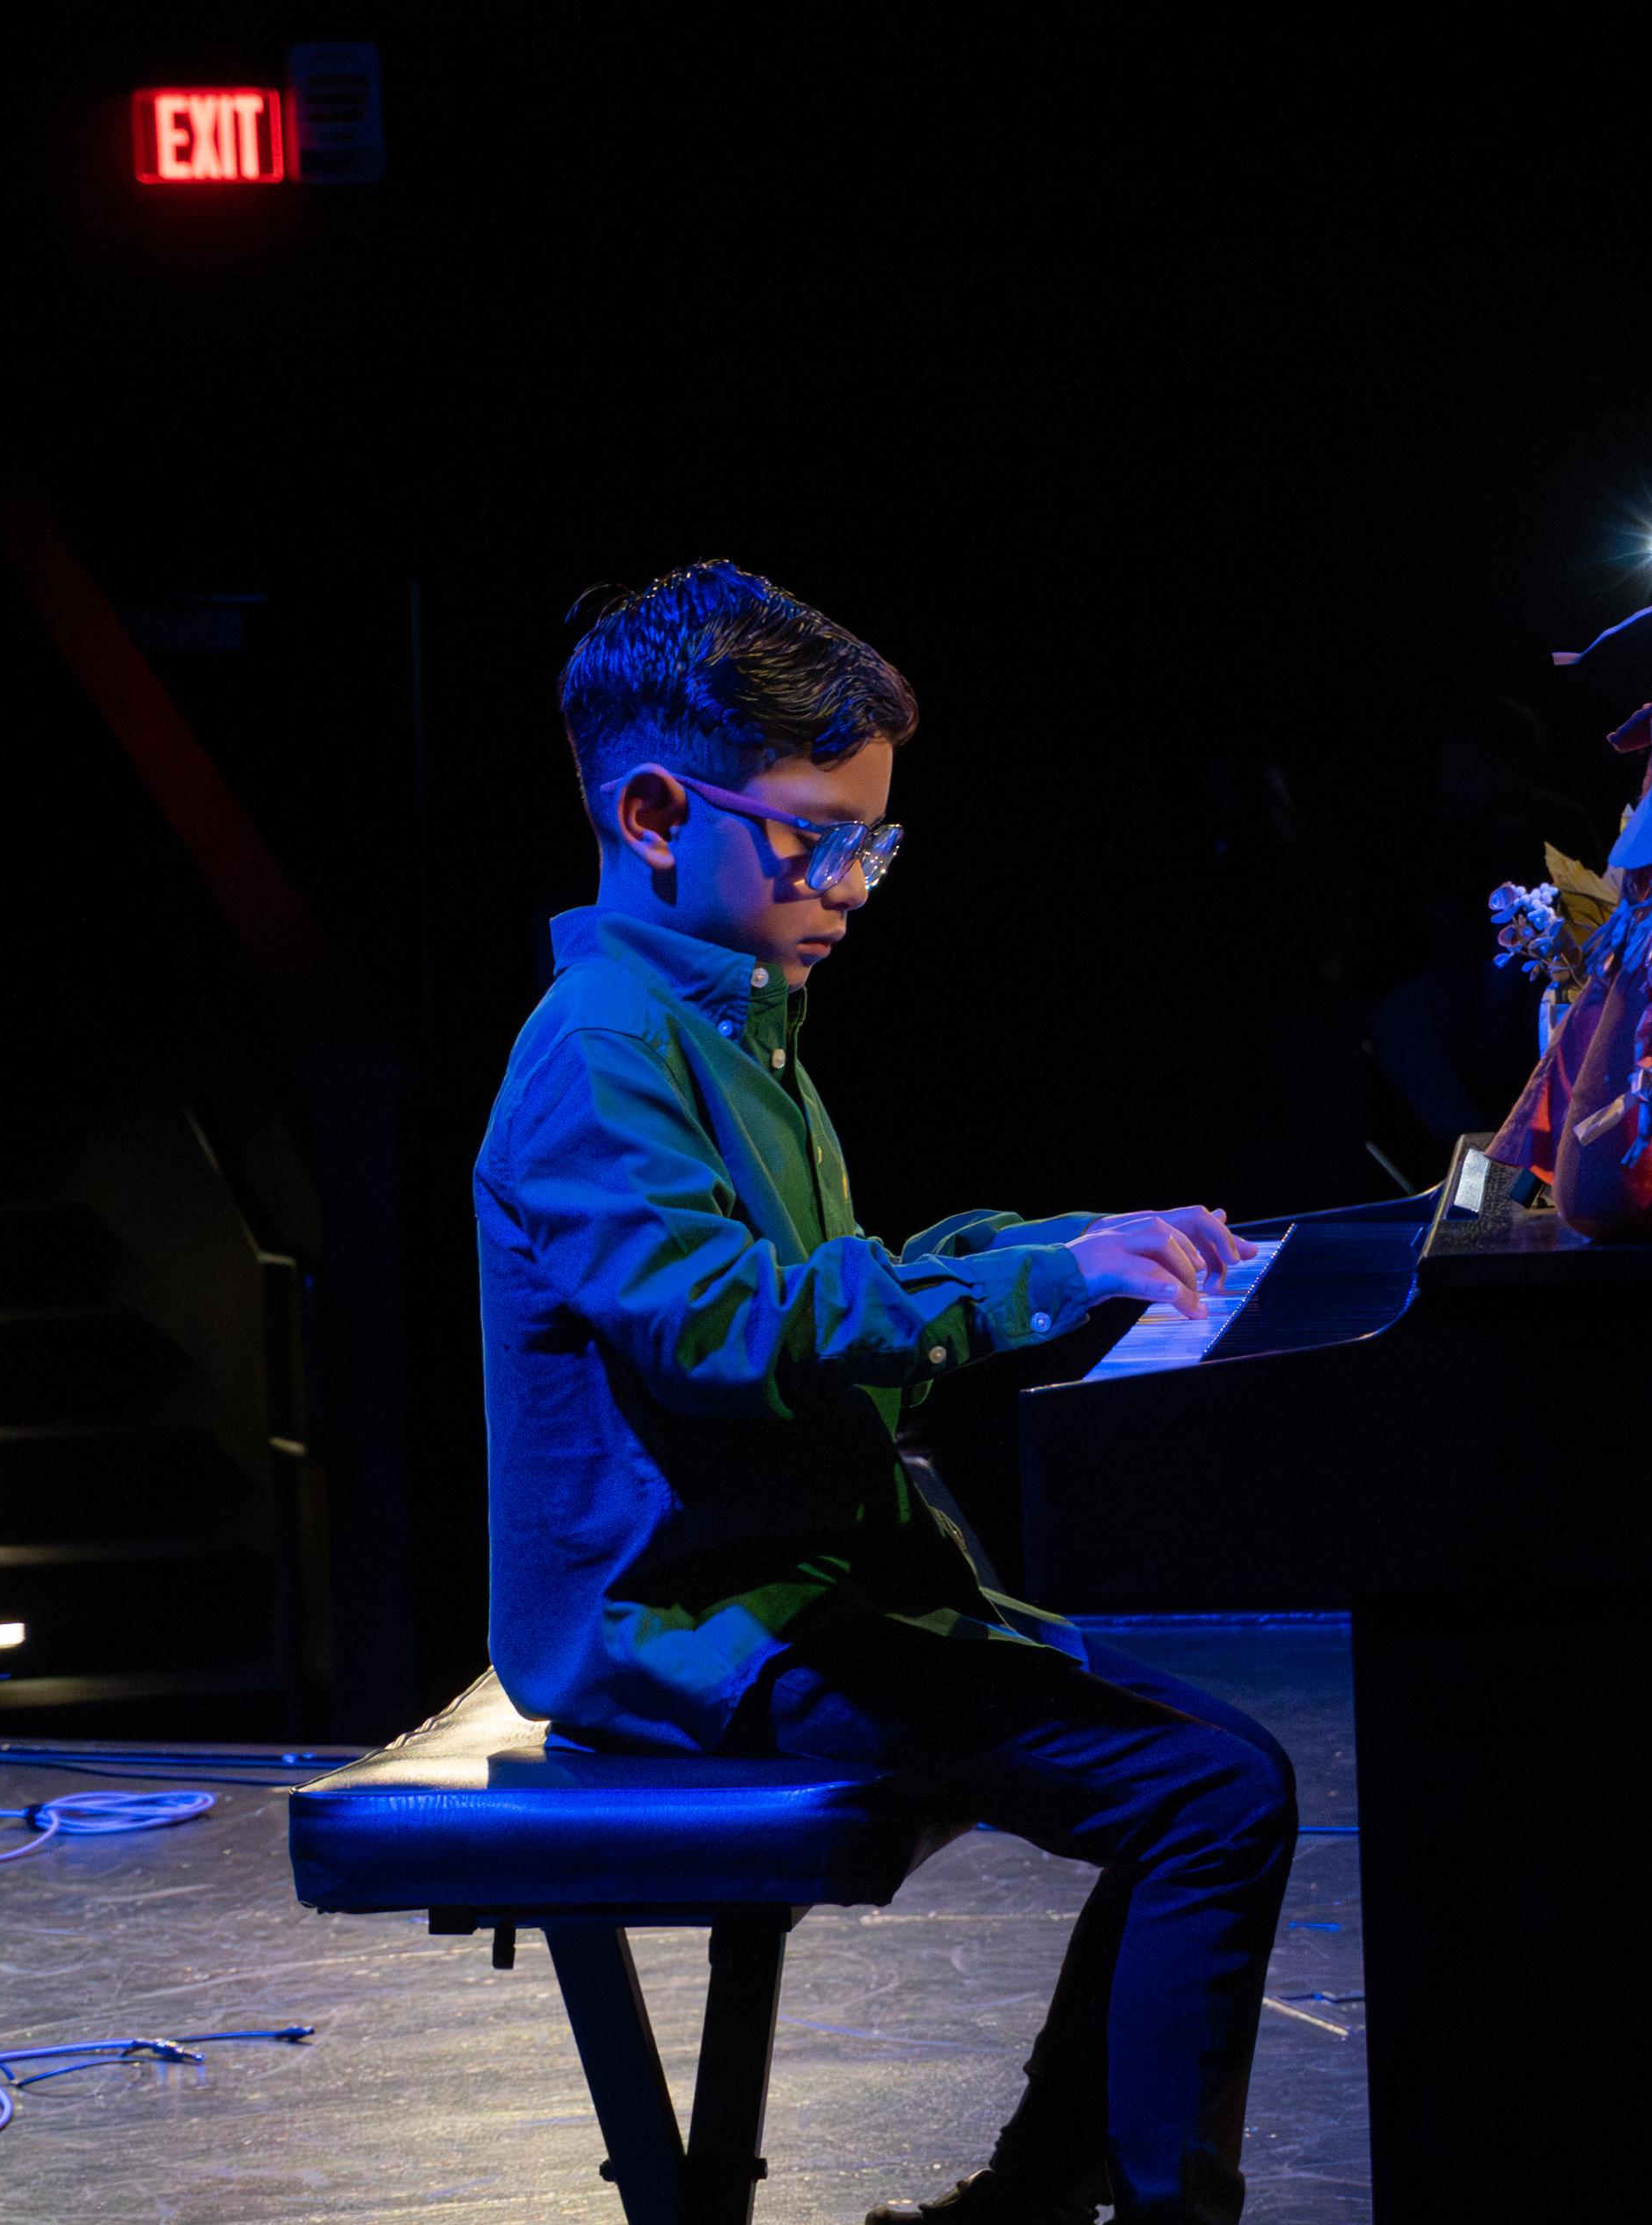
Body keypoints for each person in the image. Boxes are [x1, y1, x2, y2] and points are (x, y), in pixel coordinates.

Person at [475, 561, 1296, 2225]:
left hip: (798, 1598)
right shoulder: (598, 1044)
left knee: (1216, 1780)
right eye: (816, 834)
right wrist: (1043, 1283)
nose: (853, 879)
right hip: (699, 1637)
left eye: (874, 840)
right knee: (1212, 1794)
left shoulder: (738, 1014)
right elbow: (719, 1328)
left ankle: (1037, 2197)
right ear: (651, 810)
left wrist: (1076, 1237)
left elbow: (832, 1272)